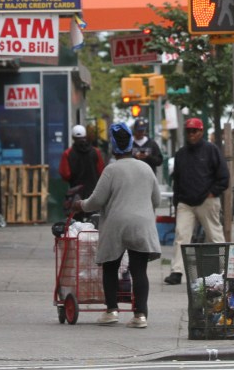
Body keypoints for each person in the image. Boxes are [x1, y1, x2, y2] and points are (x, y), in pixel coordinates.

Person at [74, 122, 161, 328]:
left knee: (111, 267)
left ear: (113, 147)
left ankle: (111, 310)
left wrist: (80, 205)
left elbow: (96, 201)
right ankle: (140, 315)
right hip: (142, 224)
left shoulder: (111, 170)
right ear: (132, 145)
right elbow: (156, 200)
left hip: (116, 223)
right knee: (139, 270)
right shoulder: (146, 168)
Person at [163, 117, 230, 286]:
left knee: (215, 236)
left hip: (207, 200)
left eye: (195, 130)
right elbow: (177, 180)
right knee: (181, 236)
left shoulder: (211, 150)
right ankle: (176, 271)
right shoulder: (181, 154)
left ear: (201, 131)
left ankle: (225, 270)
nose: (191, 134)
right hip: (186, 202)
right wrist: (177, 200)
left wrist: (212, 193)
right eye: (189, 131)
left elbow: (223, 177)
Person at [59, 124, 104, 200]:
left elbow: (65, 175)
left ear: (73, 137)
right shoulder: (96, 152)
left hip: (76, 194)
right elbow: (101, 172)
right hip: (93, 193)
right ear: (85, 136)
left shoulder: (67, 153)